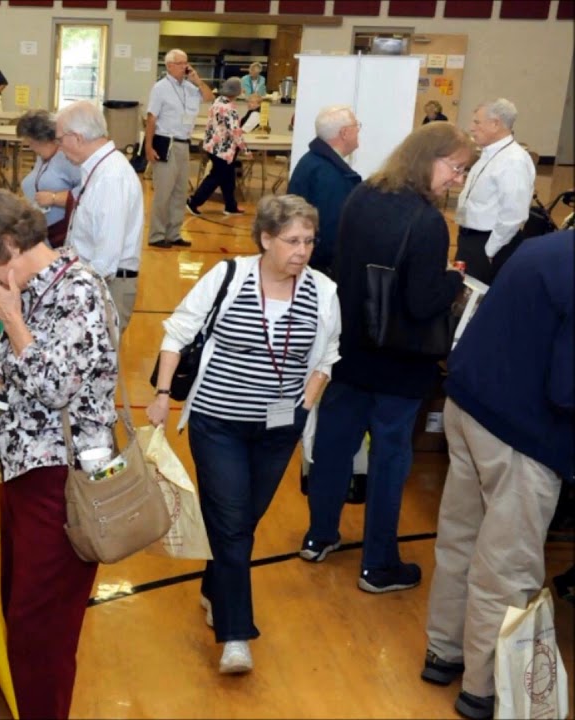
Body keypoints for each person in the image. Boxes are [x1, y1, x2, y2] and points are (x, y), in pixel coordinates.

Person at [0, 190, 116, 719]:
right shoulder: (40, 286)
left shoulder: (77, 290)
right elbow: (32, 379)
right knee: (23, 620)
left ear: (10, 246)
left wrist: (13, 322)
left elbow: (59, 386)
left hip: (62, 482)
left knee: (42, 634)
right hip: (27, 470)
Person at [150, 194, 339, 674]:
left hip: (278, 429)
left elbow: (326, 356)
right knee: (233, 525)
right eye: (292, 241)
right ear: (266, 239)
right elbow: (177, 331)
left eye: (309, 241)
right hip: (218, 424)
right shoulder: (229, 278)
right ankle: (236, 636)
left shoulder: (323, 292)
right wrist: (161, 392)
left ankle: (216, 587)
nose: (302, 250)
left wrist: (306, 403)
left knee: (241, 523)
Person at [301, 122, 472, 592]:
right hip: (401, 361)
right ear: (428, 158)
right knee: (390, 459)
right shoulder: (428, 222)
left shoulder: (364, 195)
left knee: (335, 447)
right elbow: (420, 302)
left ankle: (319, 537)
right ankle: (378, 565)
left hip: (352, 349)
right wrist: (453, 282)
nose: (456, 179)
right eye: (455, 168)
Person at [422, 230, 573, 720]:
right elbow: (566, 390)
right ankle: (482, 686)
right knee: (507, 566)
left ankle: (444, 651)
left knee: (460, 539)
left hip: (468, 405)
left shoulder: (543, 247)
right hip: (520, 431)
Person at [55, 101, 143, 334]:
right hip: (93, 283)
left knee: (95, 367)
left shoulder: (111, 177)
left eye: (60, 139)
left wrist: (74, 292)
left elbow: (106, 259)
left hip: (104, 288)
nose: (59, 147)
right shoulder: (100, 169)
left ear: (77, 137)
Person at [455, 98, 535, 283]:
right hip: (472, 238)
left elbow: (514, 214)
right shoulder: (490, 153)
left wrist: (490, 250)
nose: (472, 128)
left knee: (480, 299)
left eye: (477, 122)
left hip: (489, 243)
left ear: (495, 124)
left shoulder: (513, 160)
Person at [146, 49, 214, 249]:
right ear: (169, 66)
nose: (185, 66)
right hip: (166, 141)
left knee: (179, 191)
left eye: (187, 62)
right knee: (164, 192)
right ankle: (157, 235)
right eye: (180, 63)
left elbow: (209, 97)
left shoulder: (190, 87)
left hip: (184, 142)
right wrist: (148, 146)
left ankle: (174, 233)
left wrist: (197, 80)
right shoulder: (160, 88)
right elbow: (152, 118)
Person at [287, 105, 362, 275]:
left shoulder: (313, 162)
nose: (358, 131)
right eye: (356, 126)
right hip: (321, 270)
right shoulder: (329, 174)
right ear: (344, 133)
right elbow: (331, 231)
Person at [16, 110, 82, 248]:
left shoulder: (67, 158)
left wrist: (54, 198)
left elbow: (87, 194)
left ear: (44, 139)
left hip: (58, 237)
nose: (30, 146)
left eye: (31, 142)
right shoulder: (42, 157)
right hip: (40, 234)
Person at [186, 77, 247, 218]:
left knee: (228, 176)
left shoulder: (217, 102)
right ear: (237, 92)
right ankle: (194, 201)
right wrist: (245, 148)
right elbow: (234, 130)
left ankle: (230, 205)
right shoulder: (230, 108)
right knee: (216, 177)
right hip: (224, 148)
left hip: (212, 145)